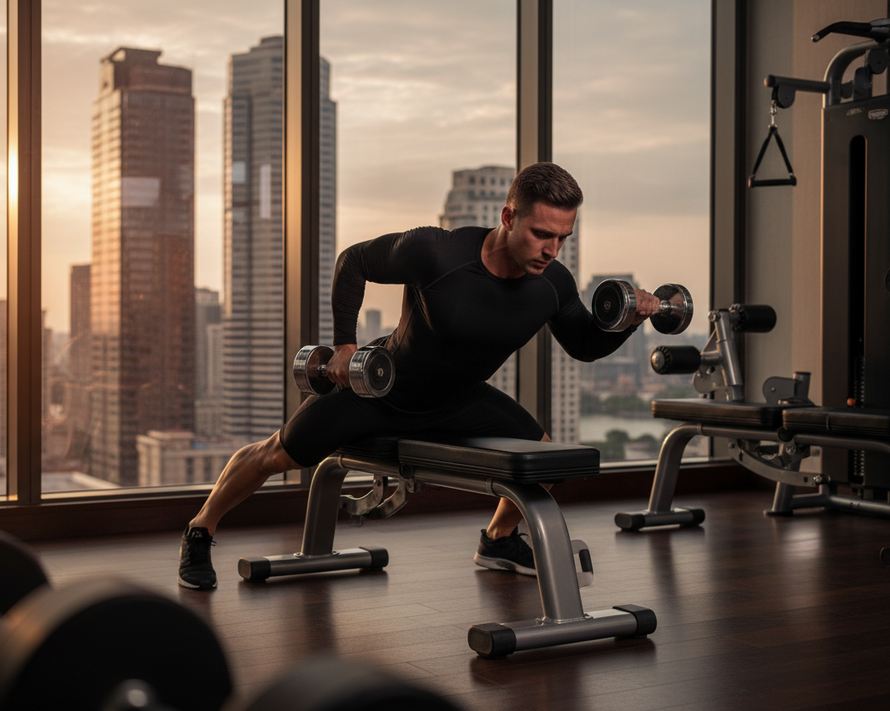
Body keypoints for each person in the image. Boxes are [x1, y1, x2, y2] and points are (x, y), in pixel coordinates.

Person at [179, 162, 660, 590]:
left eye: (562, 238)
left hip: (460, 400)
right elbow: (353, 262)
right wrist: (345, 345)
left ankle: (498, 541)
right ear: (508, 217)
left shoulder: (553, 283)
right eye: (541, 234)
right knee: (275, 454)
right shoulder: (439, 251)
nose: (552, 250)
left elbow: (585, 346)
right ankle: (201, 529)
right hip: (383, 388)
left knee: (544, 456)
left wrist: (632, 319)